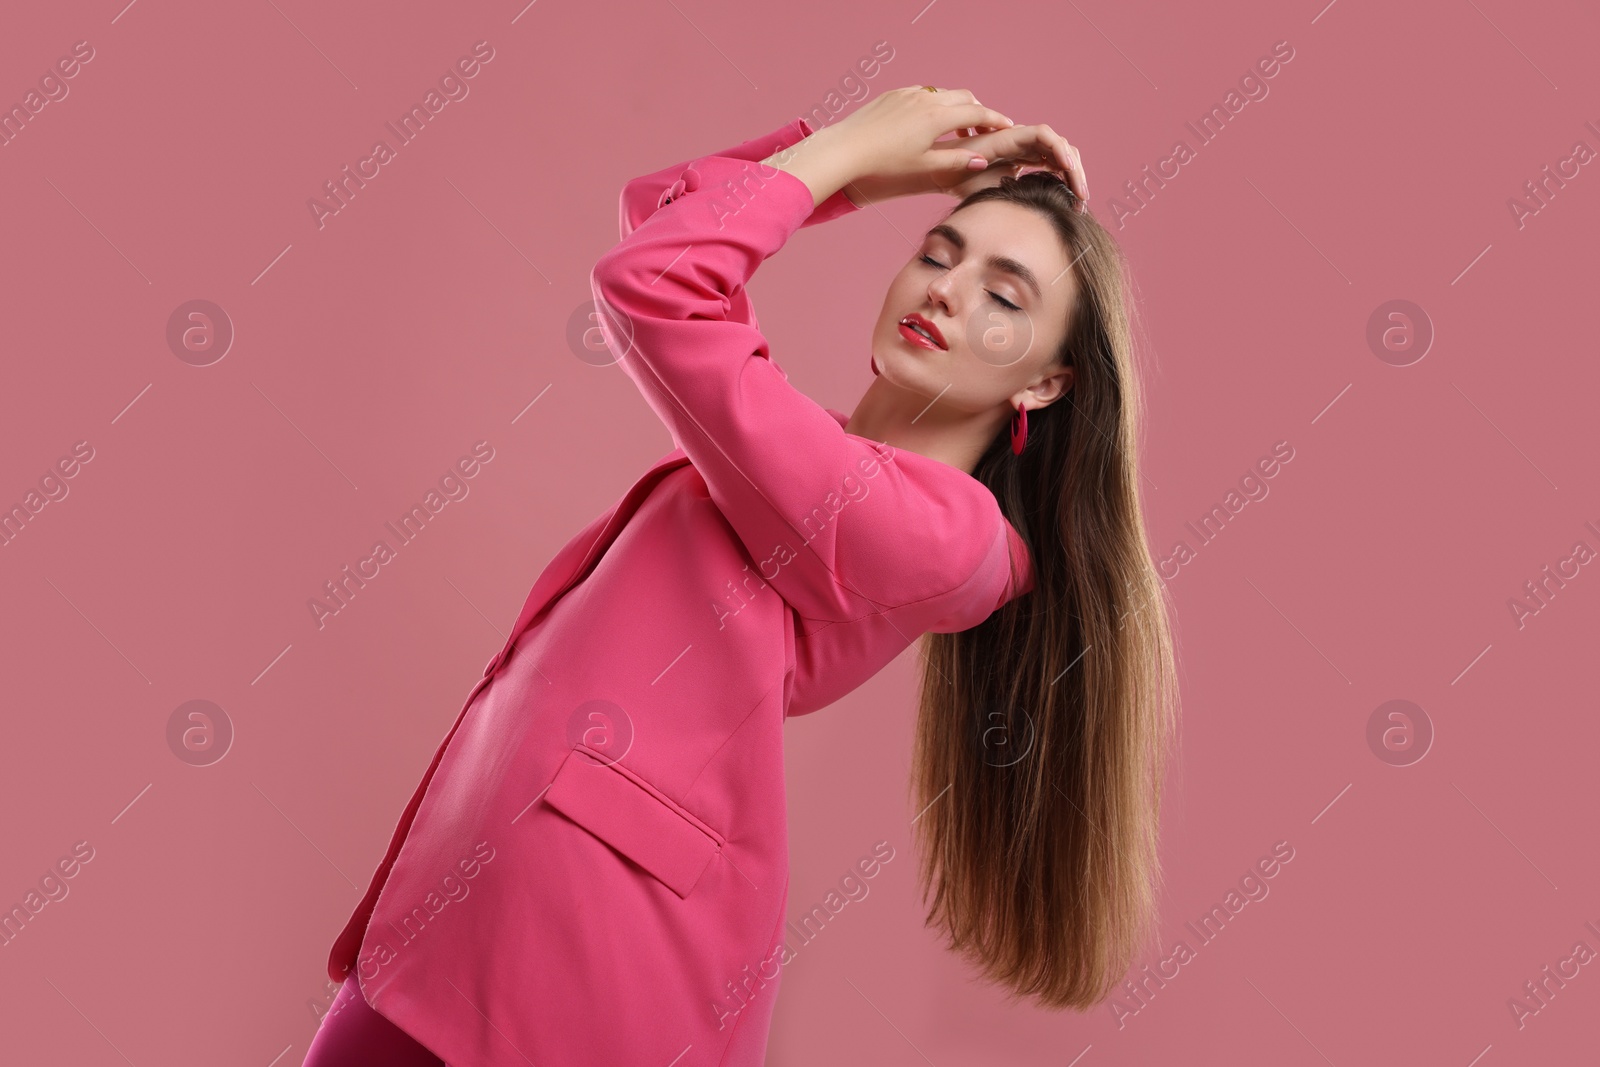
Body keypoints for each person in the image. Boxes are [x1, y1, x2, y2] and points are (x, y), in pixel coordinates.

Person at [304, 85, 1176, 1067]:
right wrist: (843, 169)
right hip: (495, 890)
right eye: (938, 252)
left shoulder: (947, 536)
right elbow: (665, 223)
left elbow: (654, 286)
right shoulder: (812, 458)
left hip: (592, 934)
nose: (945, 290)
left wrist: (848, 150)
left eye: (1003, 295)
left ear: (1044, 382)